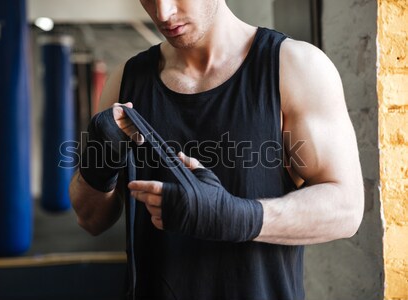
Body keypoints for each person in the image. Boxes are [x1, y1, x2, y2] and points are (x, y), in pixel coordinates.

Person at [69, 0, 364, 299]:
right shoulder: (125, 81)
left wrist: (233, 217)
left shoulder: (293, 66)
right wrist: (100, 159)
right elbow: (90, 219)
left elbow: (346, 209)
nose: (163, 13)